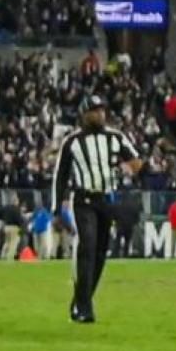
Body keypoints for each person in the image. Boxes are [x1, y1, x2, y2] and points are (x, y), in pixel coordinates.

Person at [52, 94, 143, 323]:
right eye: (95, 110)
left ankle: (82, 299)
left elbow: (136, 161)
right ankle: (84, 307)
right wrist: (56, 207)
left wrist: (124, 169)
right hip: (83, 199)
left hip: (107, 200)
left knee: (101, 251)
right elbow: (60, 176)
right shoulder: (72, 142)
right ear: (84, 114)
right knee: (88, 245)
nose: (100, 114)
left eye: (102, 110)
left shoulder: (115, 137)